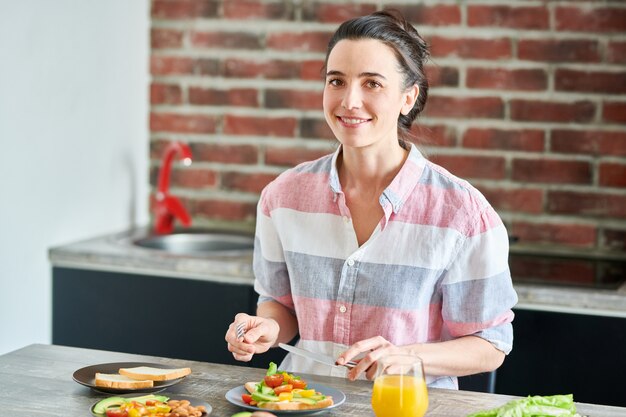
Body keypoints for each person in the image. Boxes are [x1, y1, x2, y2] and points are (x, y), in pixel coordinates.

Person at [225, 9, 518, 389]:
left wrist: (409, 356)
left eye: (372, 84)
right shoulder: (282, 198)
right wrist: (266, 327)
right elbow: (280, 304)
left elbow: (490, 343)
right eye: (336, 81)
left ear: (407, 98)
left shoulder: (463, 213)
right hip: (304, 402)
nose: (349, 101)